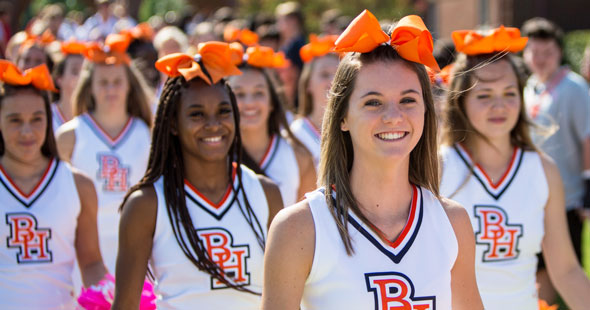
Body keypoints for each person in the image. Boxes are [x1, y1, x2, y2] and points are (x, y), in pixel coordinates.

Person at [262, 10, 483, 310]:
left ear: (426, 111)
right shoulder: (299, 228)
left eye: (408, 100)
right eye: (373, 102)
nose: (393, 116)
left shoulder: (452, 222)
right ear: (342, 117)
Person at [111, 42, 283, 309]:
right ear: (173, 124)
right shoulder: (146, 204)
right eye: (196, 114)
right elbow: (125, 305)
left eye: (224, 111)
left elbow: (284, 299)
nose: (213, 124)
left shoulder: (265, 194)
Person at [440, 26, 590, 310]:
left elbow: (566, 270)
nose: (500, 106)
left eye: (510, 93)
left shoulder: (543, 170)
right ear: (460, 101)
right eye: (484, 96)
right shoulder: (438, 166)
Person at [0, 60, 107, 309]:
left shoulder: (78, 185)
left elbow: (91, 263)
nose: (27, 131)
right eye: (15, 120)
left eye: (37, 119)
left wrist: (107, 298)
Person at [56, 33, 152, 273]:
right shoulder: (70, 135)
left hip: (136, 246)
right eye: (103, 82)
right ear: (89, 87)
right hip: (84, 250)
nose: (111, 89)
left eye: (117, 81)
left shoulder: (146, 134)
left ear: (129, 85)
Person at [521, 17, 590, 303]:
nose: (540, 59)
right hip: (534, 197)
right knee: (538, 268)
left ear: (559, 53)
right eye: (534, 52)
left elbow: (588, 136)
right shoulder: (528, 87)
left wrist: (588, 185)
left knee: (565, 266)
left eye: (547, 52)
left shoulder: (573, 88)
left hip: (568, 198)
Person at [227, 45, 316, 206]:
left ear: (271, 102)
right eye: (239, 94)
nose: (249, 103)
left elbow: (309, 222)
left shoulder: (299, 156)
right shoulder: (217, 155)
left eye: (259, 93)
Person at [290, 34, 339, 166]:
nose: (332, 81)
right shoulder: (295, 134)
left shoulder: (353, 129)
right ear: (308, 84)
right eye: (324, 74)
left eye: (338, 74)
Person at [50, 40, 85, 132]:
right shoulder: (47, 116)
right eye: (75, 71)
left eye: (84, 72)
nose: (80, 78)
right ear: (59, 79)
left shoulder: (94, 118)